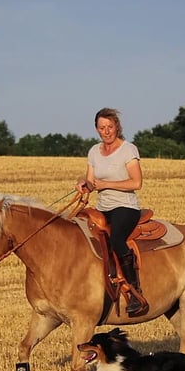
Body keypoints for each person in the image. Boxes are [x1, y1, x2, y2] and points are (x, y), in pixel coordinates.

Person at [76, 108, 148, 316]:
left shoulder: (128, 150)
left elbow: (136, 182)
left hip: (125, 207)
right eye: (102, 128)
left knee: (116, 239)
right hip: (102, 208)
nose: (106, 131)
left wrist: (106, 183)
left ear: (117, 126)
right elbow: (91, 181)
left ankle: (135, 291)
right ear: (97, 129)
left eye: (110, 127)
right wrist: (84, 184)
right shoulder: (93, 152)